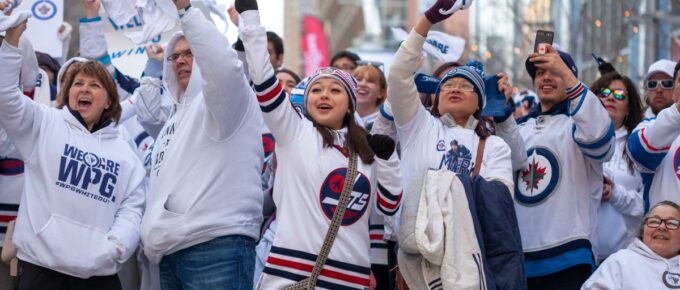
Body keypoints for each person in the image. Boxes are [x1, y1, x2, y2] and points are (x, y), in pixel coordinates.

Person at [238, 1, 402, 288]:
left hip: (351, 279)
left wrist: (388, 161)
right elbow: (264, 82)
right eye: (316, 89)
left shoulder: (367, 151)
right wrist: (250, 18)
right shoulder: (293, 131)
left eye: (335, 90)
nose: (324, 95)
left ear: (350, 106)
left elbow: (390, 205)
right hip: (291, 278)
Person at [0, 20, 146, 290]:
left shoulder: (125, 152)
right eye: (78, 83)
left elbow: (132, 207)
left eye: (95, 85)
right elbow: (6, 96)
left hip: (99, 278)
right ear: (68, 95)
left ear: (110, 101)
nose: (85, 89)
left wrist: (116, 247)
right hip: (41, 270)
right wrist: (10, 44)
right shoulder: (43, 124)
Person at [389, 0, 525, 288]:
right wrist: (427, 20)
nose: (455, 89)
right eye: (447, 86)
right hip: (416, 260)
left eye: (466, 86)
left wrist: (444, 186)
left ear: (479, 103)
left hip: (468, 263)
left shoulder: (494, 146)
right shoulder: (418, 127)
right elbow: (399, 76)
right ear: (434, 100)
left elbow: (499, 201)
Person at [138, 0, 265, 289]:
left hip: (216, 246)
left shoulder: (225, 100)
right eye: (175, 56)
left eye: (190, 53)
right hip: (169, 254)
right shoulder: (174, 118)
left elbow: (223, 66)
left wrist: (187, 10)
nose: (181, 60)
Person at [505, 37, 615, 288]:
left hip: (570, 256)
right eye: (540, 72)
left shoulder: (579, 124)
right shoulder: (520, 127)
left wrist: (568, 77)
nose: (546, 78)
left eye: (555, 72)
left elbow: (600, 139)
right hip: (520, 257)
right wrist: (501, 116)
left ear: (569, 77)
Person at [590, 72, 644, 261]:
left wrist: (614, 194)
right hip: (578, 255)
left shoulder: (639, 146)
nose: (611, 97)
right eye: (604, 93)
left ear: (629, 108)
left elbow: (647, 204)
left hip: (622, 257)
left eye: (620, 94)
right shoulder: (574, 138)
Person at [582, 201, 680, 289]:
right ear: (643, 230)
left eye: (672, 223)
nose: (662, 227)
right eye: (654, 221)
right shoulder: (620, 261)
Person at [627, 62, 680, 211]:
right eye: (652, 84)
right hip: (665, 230)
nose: (658, 89)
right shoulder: (646, 127)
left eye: (666, 83)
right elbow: (640, 150)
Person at [353, 64, 387, 130]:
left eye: (370, 81)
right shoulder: (340, 118)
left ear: (381, 92)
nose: (362, 84)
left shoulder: (388, 123)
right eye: (358, 79)